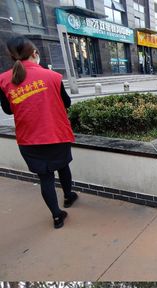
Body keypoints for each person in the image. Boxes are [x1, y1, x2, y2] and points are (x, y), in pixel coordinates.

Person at [0, 36, 78, 229]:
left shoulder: (3, 80)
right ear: (35, 53)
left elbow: (8, 110)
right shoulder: (52, 76)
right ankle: (68, 197)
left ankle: (57, 216)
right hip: (56, 134)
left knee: (45, 178)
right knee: (63, 166)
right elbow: (67, 103)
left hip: (28, 139)